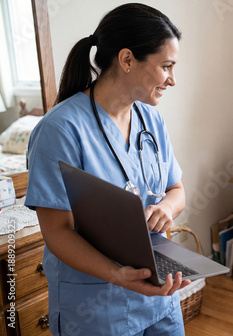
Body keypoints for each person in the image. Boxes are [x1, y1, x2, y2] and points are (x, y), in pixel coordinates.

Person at [24, 4, 191, 335]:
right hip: (97, 306)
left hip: (159, 296)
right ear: (127, 60)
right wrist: (115, 275)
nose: (172, 80)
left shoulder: (151, 119)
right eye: (166, 66)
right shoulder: (61, 129)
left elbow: (177, 189)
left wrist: (165, 209)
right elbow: (57, 231)